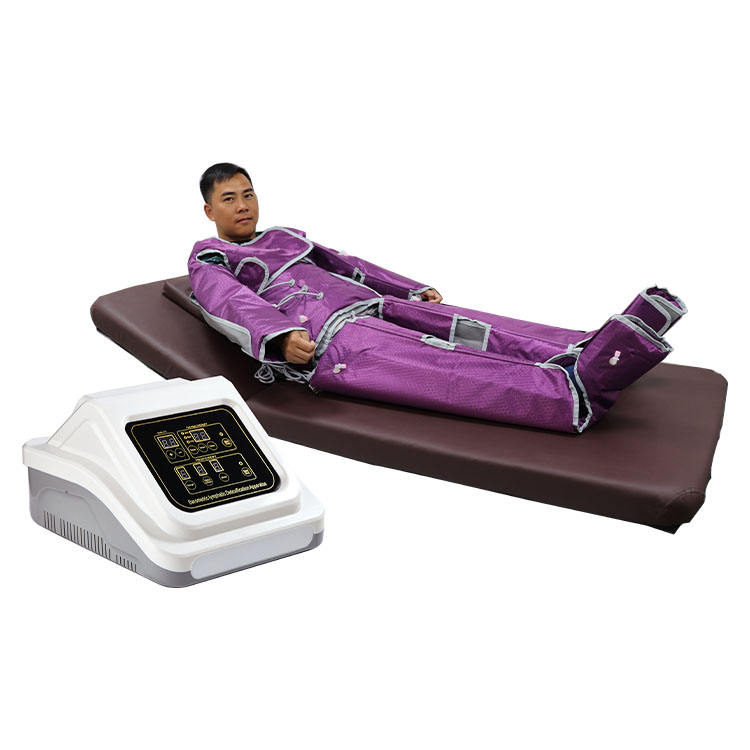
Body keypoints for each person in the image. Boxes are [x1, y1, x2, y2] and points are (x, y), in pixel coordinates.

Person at [189, 163, 687, 433]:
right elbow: (228, 302)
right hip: (327, 337)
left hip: (368, 303)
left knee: (470, 327)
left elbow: (350, 266)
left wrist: (406, 289)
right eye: (229, 199)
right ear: (210, 210)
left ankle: (590, 348)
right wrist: (278, 337)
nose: (243, 205)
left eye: (248, 194)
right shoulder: (211, 257)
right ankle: (569, 391)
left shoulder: (287, 236)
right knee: (442, 365)